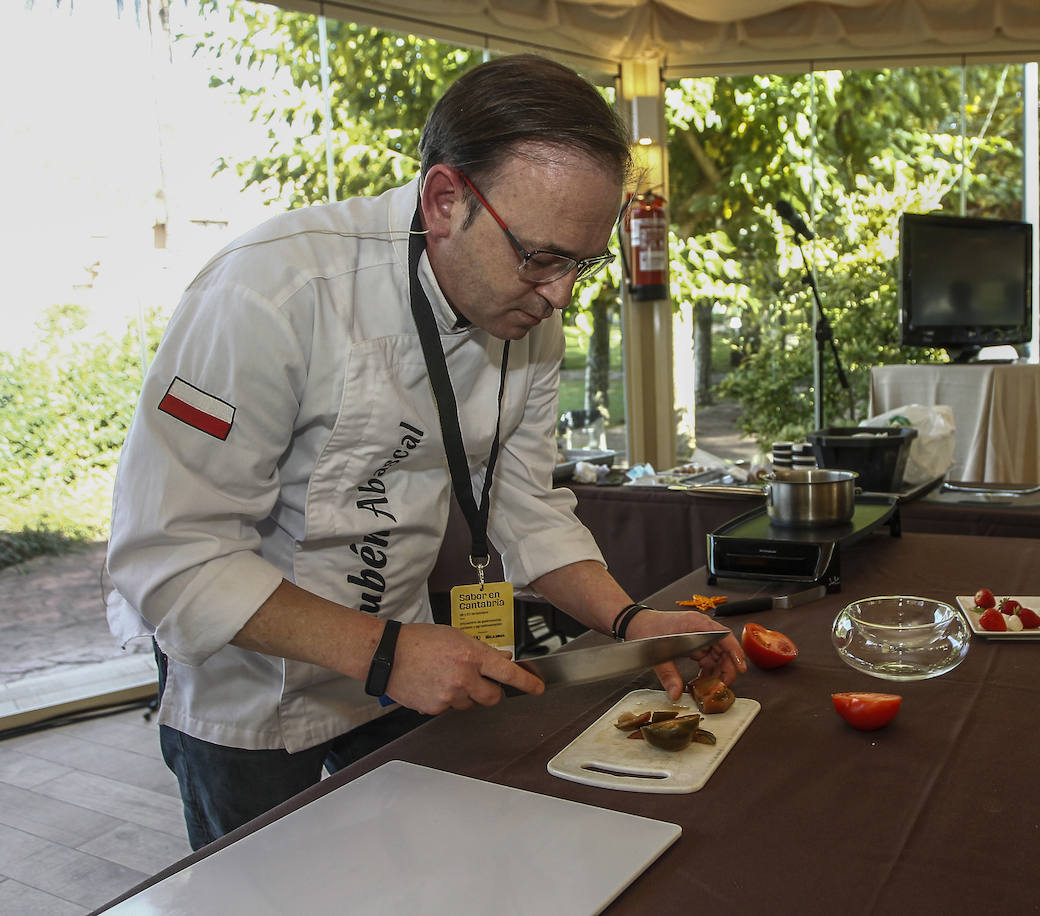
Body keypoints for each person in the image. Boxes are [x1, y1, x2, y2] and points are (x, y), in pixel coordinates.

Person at [105, 53, 746, 850]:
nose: (560, 295)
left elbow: (526, 505)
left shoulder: (528, 317)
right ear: (446, 200)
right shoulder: (268, 293)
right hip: (247, 690)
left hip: (403, 663)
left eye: (581, 263)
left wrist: (628, 620)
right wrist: (384, 654)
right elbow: (172, 556)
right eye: (542, 257)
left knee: (415, 868)